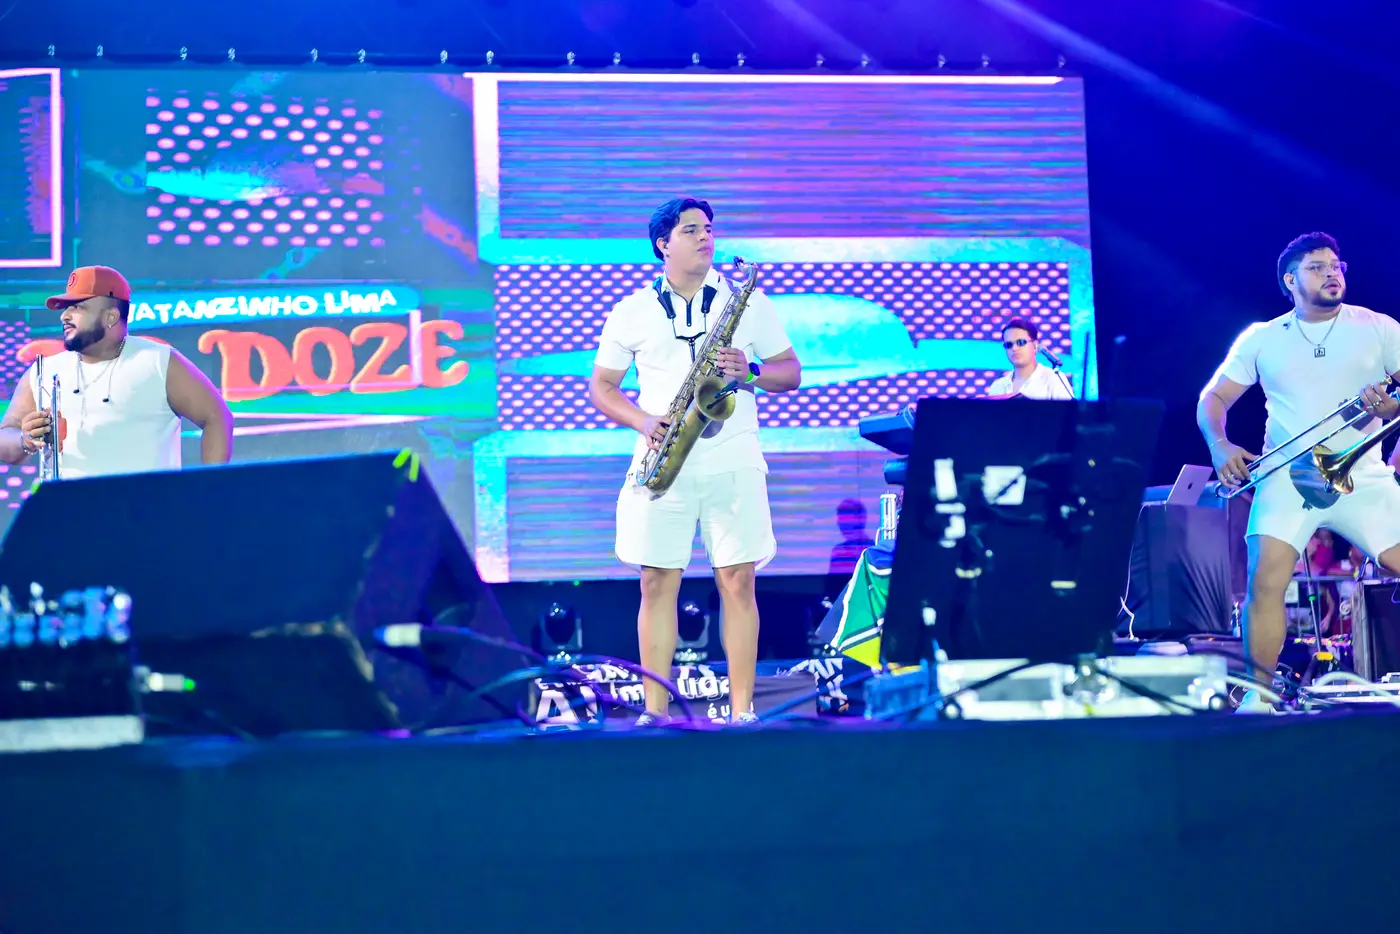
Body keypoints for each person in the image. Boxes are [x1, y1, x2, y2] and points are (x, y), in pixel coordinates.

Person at [588, 197, 802, 725]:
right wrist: (643, 421)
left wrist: (751, 372)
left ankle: (743, 712)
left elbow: (791, 372)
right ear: (663, 243)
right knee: (656, 583)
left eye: (708, 228)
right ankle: (655, 713)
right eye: (691, 230)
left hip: (733, 458)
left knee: (739, 581)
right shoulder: (631, 310)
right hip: (664, 458)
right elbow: (602, 388)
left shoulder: (748, 302)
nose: (706, 237)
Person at [1198, 232, 1400, 711]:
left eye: (1336, 265)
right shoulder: (1262, 337)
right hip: (1286, 478)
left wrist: (1392, 408)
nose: (1332, 273)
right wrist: (1220, 447)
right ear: (1290, 280)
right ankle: (1258, 696)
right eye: (1317, 267)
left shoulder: (1378, 327)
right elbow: (1214, 398)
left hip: (1363, 476)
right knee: (1265, 581)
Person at [0, 265, 234, 477]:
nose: (64, 316)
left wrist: (209, 492)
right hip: (71, 509)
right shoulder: (45, 371)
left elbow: (217, 418)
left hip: (148, 509)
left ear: (110, 316)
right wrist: (25, 439)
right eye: (65, 308)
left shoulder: (157, 361)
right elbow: (5, 438)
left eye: (77, 307)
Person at [985, 318, 1075, 400]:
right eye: (1009, 345)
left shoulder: (1053, 379)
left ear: (1035, 345)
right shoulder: (997, 387)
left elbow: (1069, 411)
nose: (1014, 348)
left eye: (1020, 342)